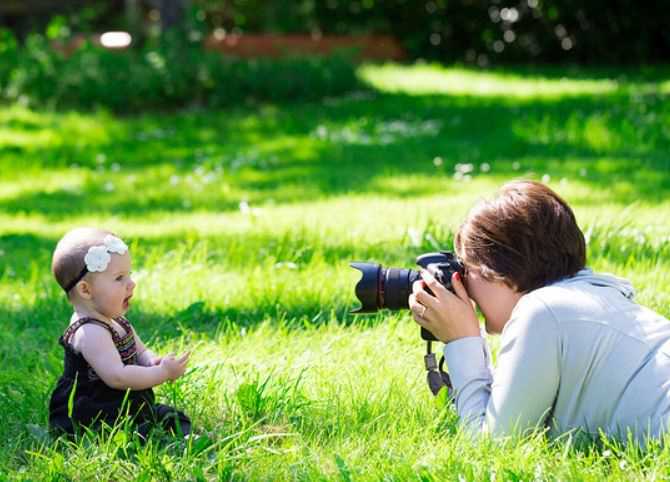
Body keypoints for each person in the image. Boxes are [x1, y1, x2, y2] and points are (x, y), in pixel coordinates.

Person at [409, 180, 670, 444]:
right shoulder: (596, 296)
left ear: (498, 270)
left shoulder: (542, 311)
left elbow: (494, 447)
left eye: (467, 268)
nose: (463, 283)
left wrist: (461, 341)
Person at [49, 227, 191, 438]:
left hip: (124, 405)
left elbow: (141, 352)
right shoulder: (89, 331)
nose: (131, 283)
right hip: (94, 413)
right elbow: (118, 376)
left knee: (170, 416)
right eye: (119, 278)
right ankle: (150, 437)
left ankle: (178, 434)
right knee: (137, 432)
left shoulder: (117, 322)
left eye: (129, 275)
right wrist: (162, 374)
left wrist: (153, 362)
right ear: (85, 290)